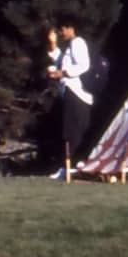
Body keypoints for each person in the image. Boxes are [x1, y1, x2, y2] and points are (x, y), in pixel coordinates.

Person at [46, 20, 93, 180]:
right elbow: (59, 61)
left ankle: (71, 164)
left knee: (73, 130)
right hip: (69, 91)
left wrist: (63, 73)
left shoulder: (78, 43)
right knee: (69, 130)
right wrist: (52, 44)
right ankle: (67, 165)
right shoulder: (69, 46)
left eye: (62, 29)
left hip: (76, 93)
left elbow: (84, 65)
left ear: (70, 28)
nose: (61, 33)